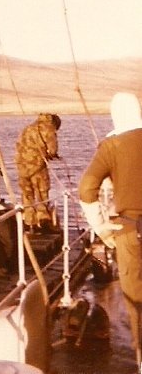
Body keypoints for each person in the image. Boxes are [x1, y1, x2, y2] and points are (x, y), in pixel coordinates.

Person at [79, 91, 142, 369]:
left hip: (130, 232)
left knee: (136, 298)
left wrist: (102, 227)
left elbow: (86, 189)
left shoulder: (112, 146)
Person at [14, 112, 61, 230]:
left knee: (27, 193)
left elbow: (19, 146)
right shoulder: (49, 128)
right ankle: (43, 219)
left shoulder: (28, 128)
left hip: (22, 166)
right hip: (37, 166)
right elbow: (52, 149)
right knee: (41, 192)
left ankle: (29, 221)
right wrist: (52, 155)